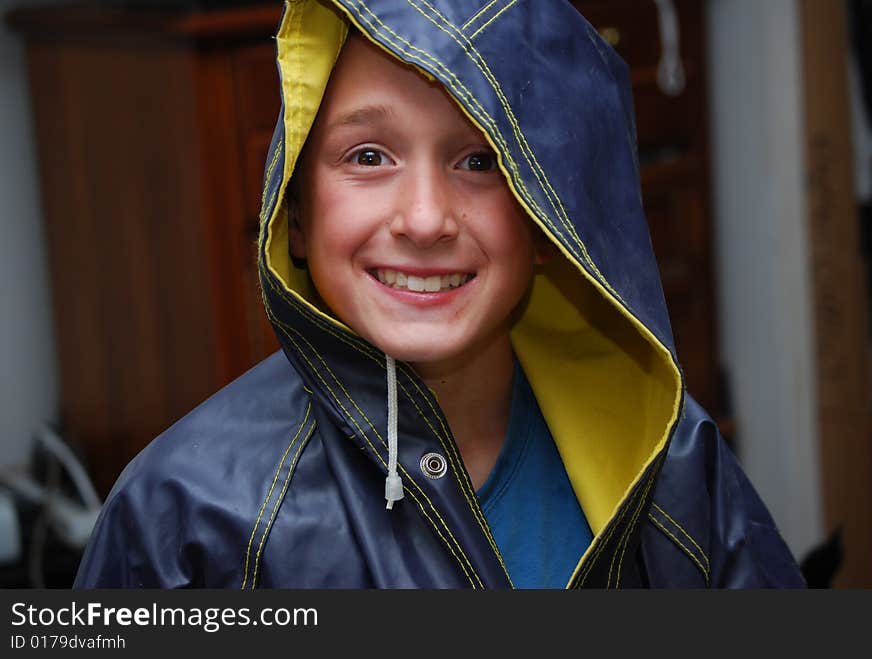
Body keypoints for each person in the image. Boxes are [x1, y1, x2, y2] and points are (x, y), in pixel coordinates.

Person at [74, 0, 805, 588]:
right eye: (368, 156)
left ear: (552, 217)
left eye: (481, 159)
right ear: (295, 213)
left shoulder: (668, 454)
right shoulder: (185, 520)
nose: (424, 219)